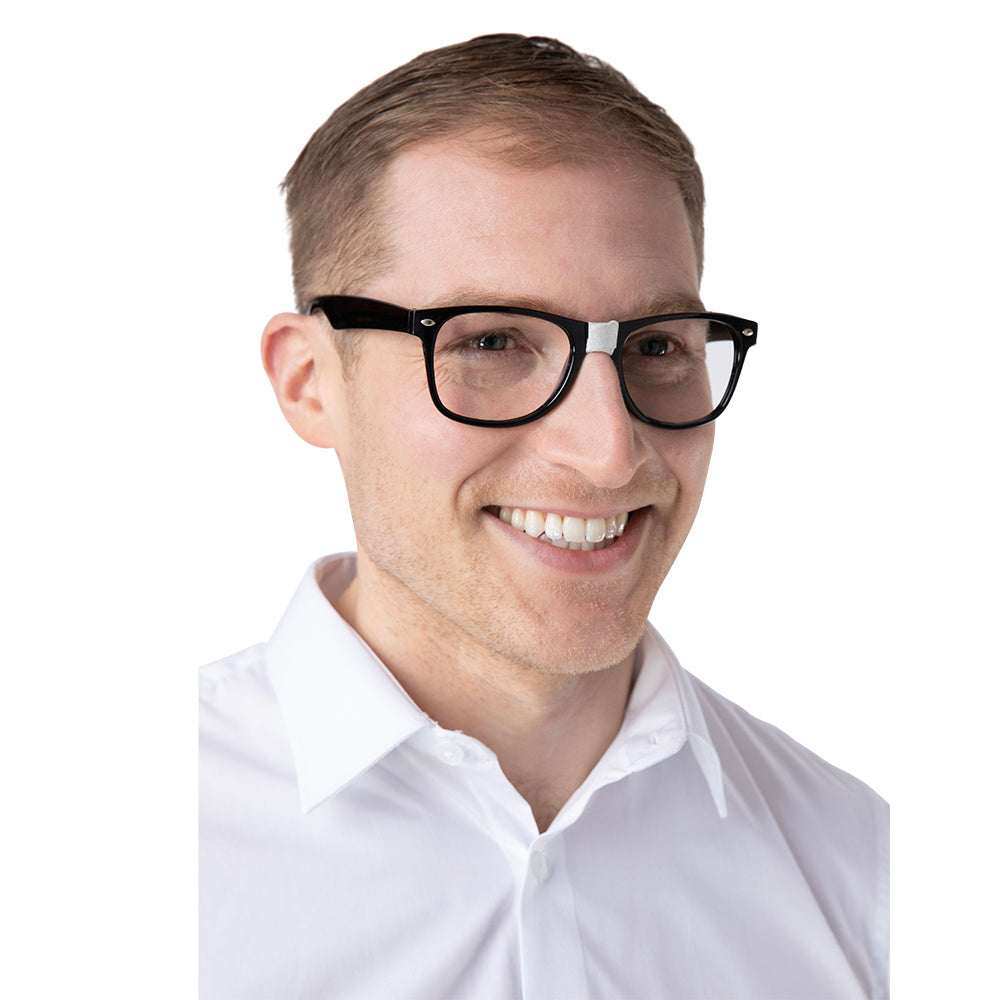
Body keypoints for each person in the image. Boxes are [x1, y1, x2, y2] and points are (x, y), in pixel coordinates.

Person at [199, 33, 888, 999]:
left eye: (656, 346)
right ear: (311, 382)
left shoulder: (863, 870)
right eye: (490, 342)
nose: (610, 451)